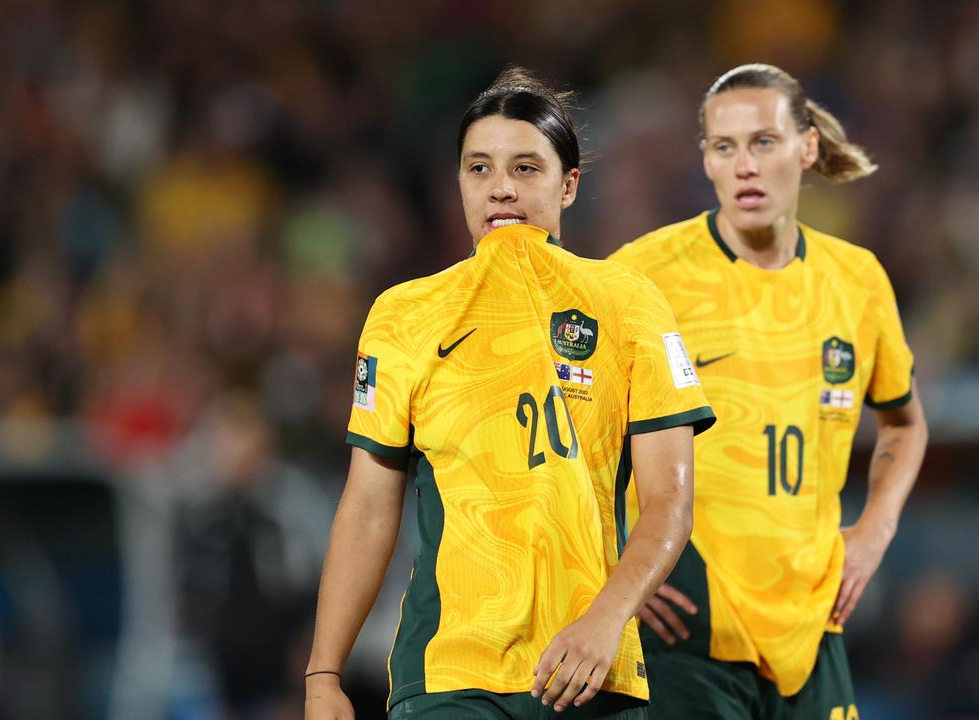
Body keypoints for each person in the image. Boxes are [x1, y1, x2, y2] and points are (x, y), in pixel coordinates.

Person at [305, 67, 716, 720]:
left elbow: (670, 503)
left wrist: (606, 621)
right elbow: (367, 508)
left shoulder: (629, 304)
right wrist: (324, 672)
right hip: (450, 676)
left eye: (527, 168)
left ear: (569, 184)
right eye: (479, 168)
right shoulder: (404, 315)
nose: (501, 187)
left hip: (592, 674)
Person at [608, 63, 929, 720]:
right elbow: (571, 428)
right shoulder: (642, 277)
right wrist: (611, 558)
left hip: (812, 626)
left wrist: (872, 531)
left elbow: (904, 423)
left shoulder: (857, 280)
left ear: (806, 148)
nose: (745, 165)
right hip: (685, 630)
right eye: (725, 147)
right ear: (705, 160)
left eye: (764, 142)